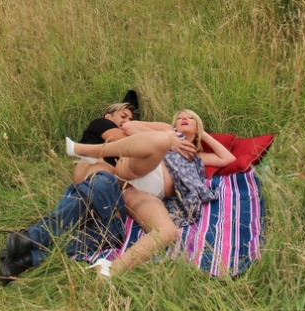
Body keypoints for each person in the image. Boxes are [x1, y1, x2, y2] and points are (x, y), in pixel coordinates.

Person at [66, 109, 236, 277]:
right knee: (162, 140)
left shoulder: (197, 157)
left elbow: (228, 159)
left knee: (167, 232)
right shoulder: (167, 131)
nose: (184, 118)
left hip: (136, 191)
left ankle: (110, 270)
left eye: (191, 117)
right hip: (136, 168)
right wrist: (171, 138)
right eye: (180, 117)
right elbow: (130, 127)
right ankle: (88, 150)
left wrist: (203, 134)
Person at [0, 99, 138, 285]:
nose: (127, 121)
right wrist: (137, 127)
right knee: (111, 230)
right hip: (99, 181)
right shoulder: (102, 125)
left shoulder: (120, 147)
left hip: (85, 198)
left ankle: (23, 257)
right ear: (108, 116)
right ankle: (31, 241)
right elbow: (126, 142)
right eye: (123, 116)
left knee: (100, 235)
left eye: (131, 118)